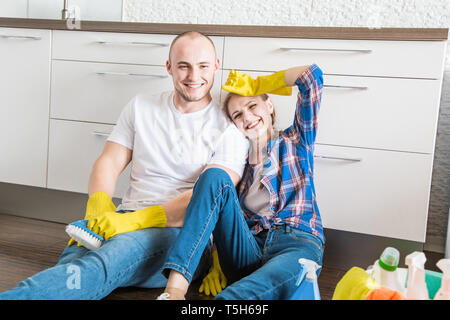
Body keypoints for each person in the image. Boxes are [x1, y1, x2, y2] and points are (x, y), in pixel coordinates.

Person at [0, 31, 249, 300]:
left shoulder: (230, 124)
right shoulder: (141, 106)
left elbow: (208, 200)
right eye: (183, 66)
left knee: (101, 264)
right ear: (169, 67)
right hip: (122, 218)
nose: (193, 76)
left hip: (183, 237)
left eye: (202, 66)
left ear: (216, 65)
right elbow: (109, 160)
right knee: (75, 259)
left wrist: (133, 222)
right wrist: (99, 203)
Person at [158, 64, 325, 300]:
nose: (247, 117)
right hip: (249, 251)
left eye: (252, 105)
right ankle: (173, 291)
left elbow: (311, 77)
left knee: (237, 296)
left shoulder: (296, 141)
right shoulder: (238, 166)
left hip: (295, 242)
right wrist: (216, 262)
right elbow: (215, 216)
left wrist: (259, 84)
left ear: (269, 106)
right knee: (214, 175)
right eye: (237, 115)